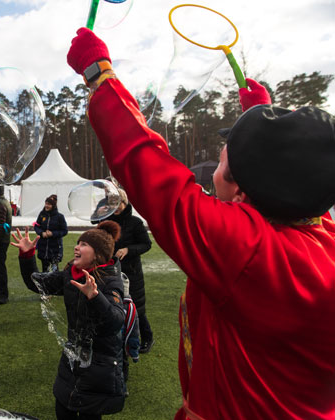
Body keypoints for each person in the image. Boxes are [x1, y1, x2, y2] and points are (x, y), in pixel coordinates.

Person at [67, 28, 335, 419]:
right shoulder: (318, 231)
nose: (213, 171)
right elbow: (300, 173)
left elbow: (152, 173)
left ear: (243, 190)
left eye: (223, 162)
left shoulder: (250, 252)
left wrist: (98, 73)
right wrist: (263, 117)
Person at [12, 221, 128, 420]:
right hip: (73, 358)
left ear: (98, 254)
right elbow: (38, 284)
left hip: (100, 365)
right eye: (78, 242)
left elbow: (116, 322)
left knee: (88, 415)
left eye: (84, 244)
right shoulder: (71, 276)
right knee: (63, 410)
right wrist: (27, 255)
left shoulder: (110, 281)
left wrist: (95, 297)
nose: (76, 247)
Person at [101, 189, 153, 353]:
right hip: (110, 270)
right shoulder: (107, 221)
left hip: (131, 272)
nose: (115, 207)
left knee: (136, 306)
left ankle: (147, 337)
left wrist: (128, 250)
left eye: (118, 203)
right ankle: (120, 337)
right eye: (112, 204)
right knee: (114, 304)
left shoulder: (135, 222)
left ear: (125, 203)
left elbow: (146, 244)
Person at [33, 194, 68, 272]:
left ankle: (56, 284)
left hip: (55, 249)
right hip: (43, 247)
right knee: (45, 271)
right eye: (46, 203)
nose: (46, 206)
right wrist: (42, 233)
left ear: (53, 205)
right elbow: (36, 226)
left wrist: (53, 234)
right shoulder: (42, 215)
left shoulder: (60, 217)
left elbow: (64, 231)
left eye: (48, 204)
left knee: (55, 272)